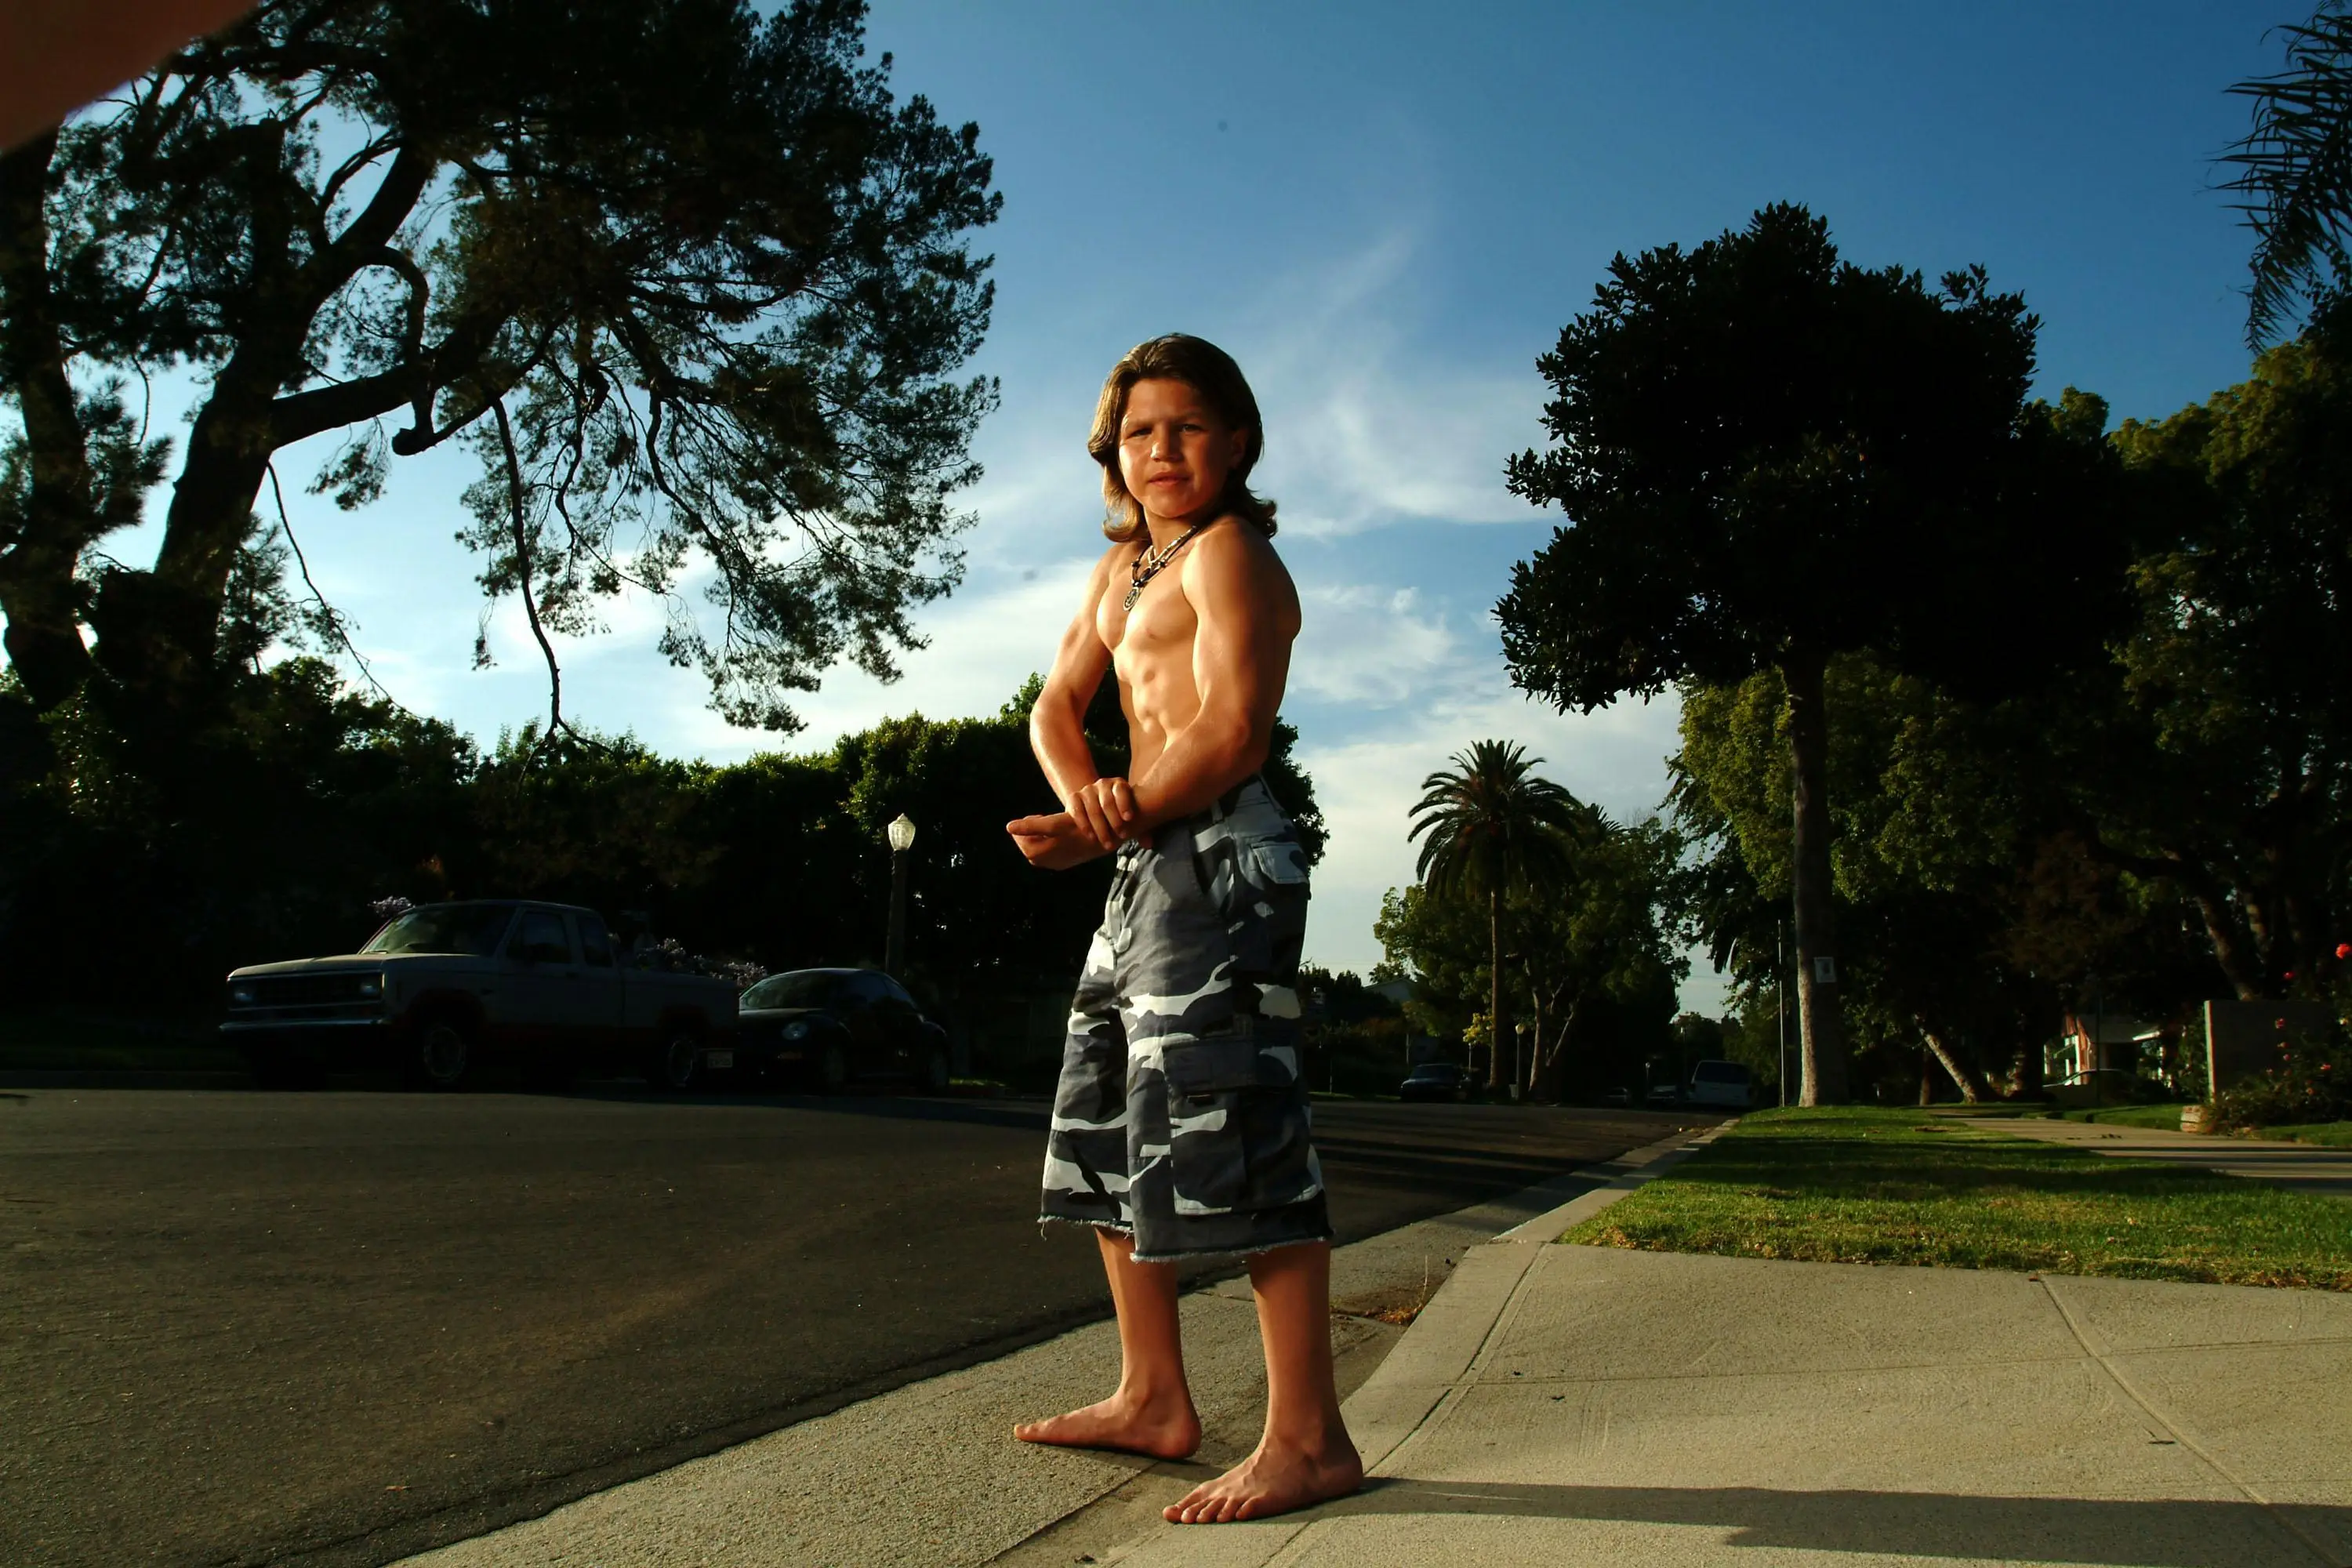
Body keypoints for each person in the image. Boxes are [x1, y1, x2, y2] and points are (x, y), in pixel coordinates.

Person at [1006, 334, 1362, 1525]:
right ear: (1115, 449)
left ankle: (1309, 1439)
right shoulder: (1122, 575)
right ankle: (1154, 1395)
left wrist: (1119, 814)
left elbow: (1232, 734)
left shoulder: (1232, 555)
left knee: (1237, 1122)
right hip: (1143, 860)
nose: (1164, 450)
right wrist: (1090, 806)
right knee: (1104, 1122)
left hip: (1222, 858)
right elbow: (1056, 706)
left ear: (1240, 441)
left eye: (1190, 427)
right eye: (1142, 430)